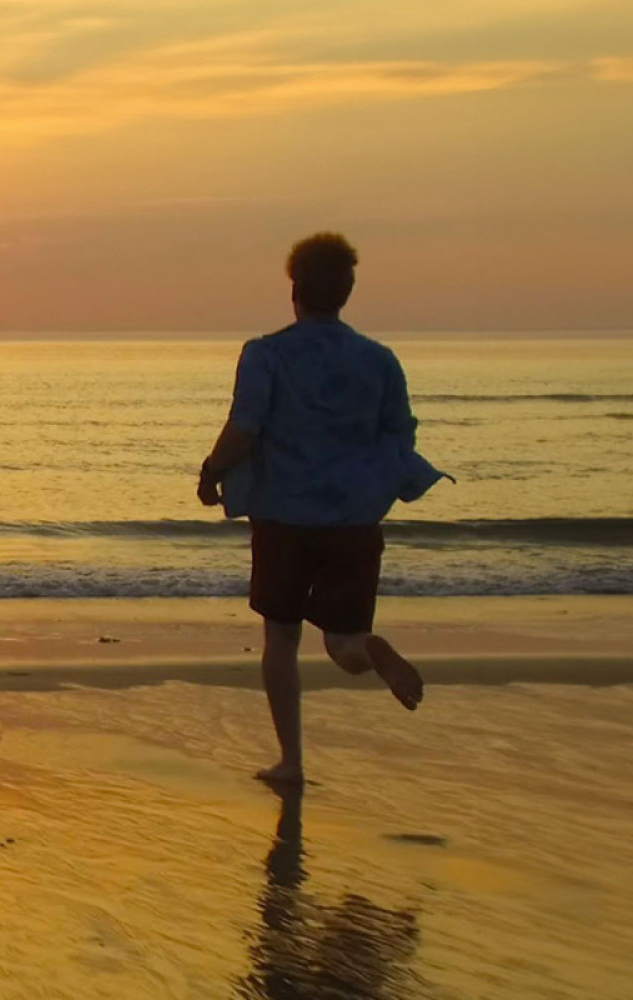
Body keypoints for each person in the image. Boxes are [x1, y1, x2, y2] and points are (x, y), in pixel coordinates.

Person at [198, 233, 447, 786]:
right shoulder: (380, 361)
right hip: (354, 521)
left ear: (295, 290)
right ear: (347, 292)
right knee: (343, 640)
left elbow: (244, 428)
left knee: (281, 639)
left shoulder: (266, 354)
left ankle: (291, 761)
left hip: (284, 518)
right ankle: (370, 651)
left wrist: (212, 472)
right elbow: (401, 437)